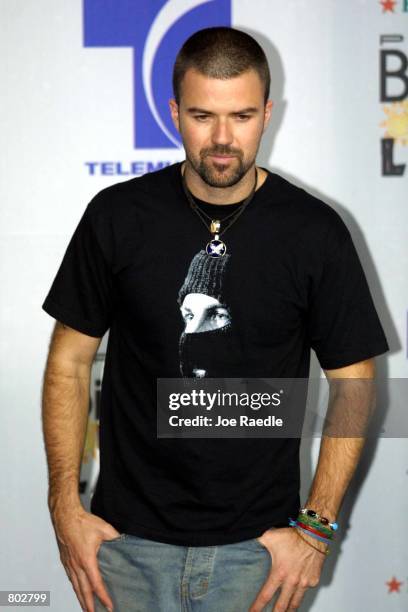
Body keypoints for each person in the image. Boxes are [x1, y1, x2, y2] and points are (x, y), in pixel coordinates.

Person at [41, 26, 389, 612]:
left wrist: (316, 529)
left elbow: (355, 383)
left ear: (268, 113)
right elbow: (68, 364)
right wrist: (65, 508)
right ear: (175, 112)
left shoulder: (314, 232)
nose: (223, 138)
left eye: (243, 116)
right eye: (203, 116)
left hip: (256, 554)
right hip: (124, 549)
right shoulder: (118, 216)